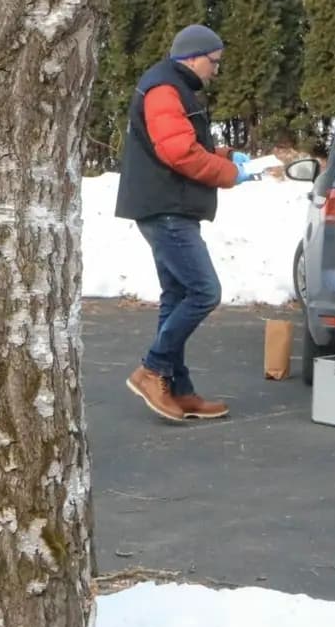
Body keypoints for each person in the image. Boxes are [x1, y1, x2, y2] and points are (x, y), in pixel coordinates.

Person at [113, 24, 268, 422]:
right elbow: (178, 153)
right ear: (194, 57)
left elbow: (180, 142)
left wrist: (225, 155)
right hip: (166, 209)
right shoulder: (165, 89)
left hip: (166, 206)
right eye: (214, 62)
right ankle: (152, 369)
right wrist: (230, 175)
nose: (215, 70)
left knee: (177, 296)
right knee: (204, 292)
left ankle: (179, 390)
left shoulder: (171, 87)